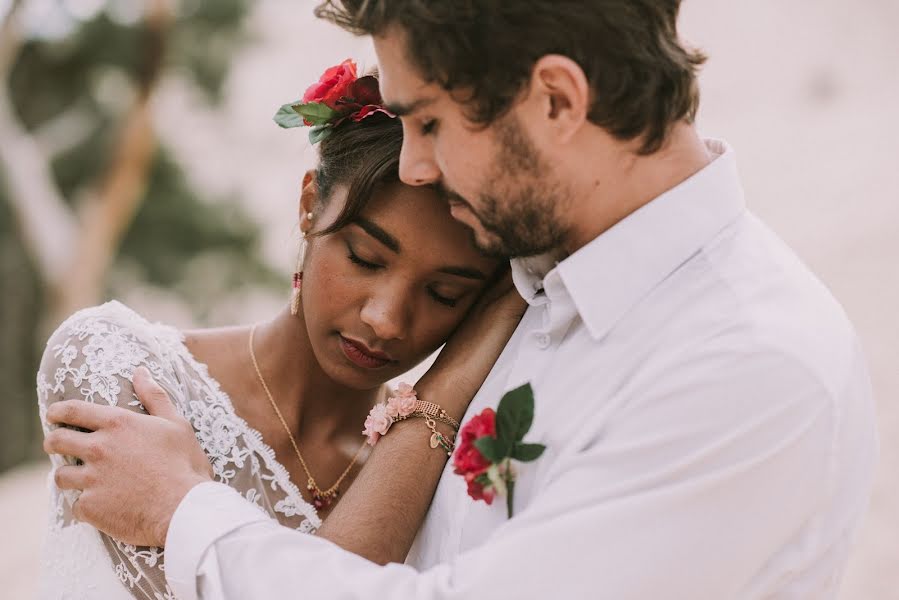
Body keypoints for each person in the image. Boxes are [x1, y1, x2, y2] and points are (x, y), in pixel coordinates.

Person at [43, 1, 879, 598]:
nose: (411, 168)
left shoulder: (749, 365)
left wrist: (185, 513)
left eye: (430, 123)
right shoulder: (528, 289)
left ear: (556, 100)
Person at [36, 62, 518, 599]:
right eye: (365, 258)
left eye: (444, 294)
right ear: (310, 205)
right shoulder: (117, 365)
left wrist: (444, 389)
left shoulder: (442, 474)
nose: (386, 318)